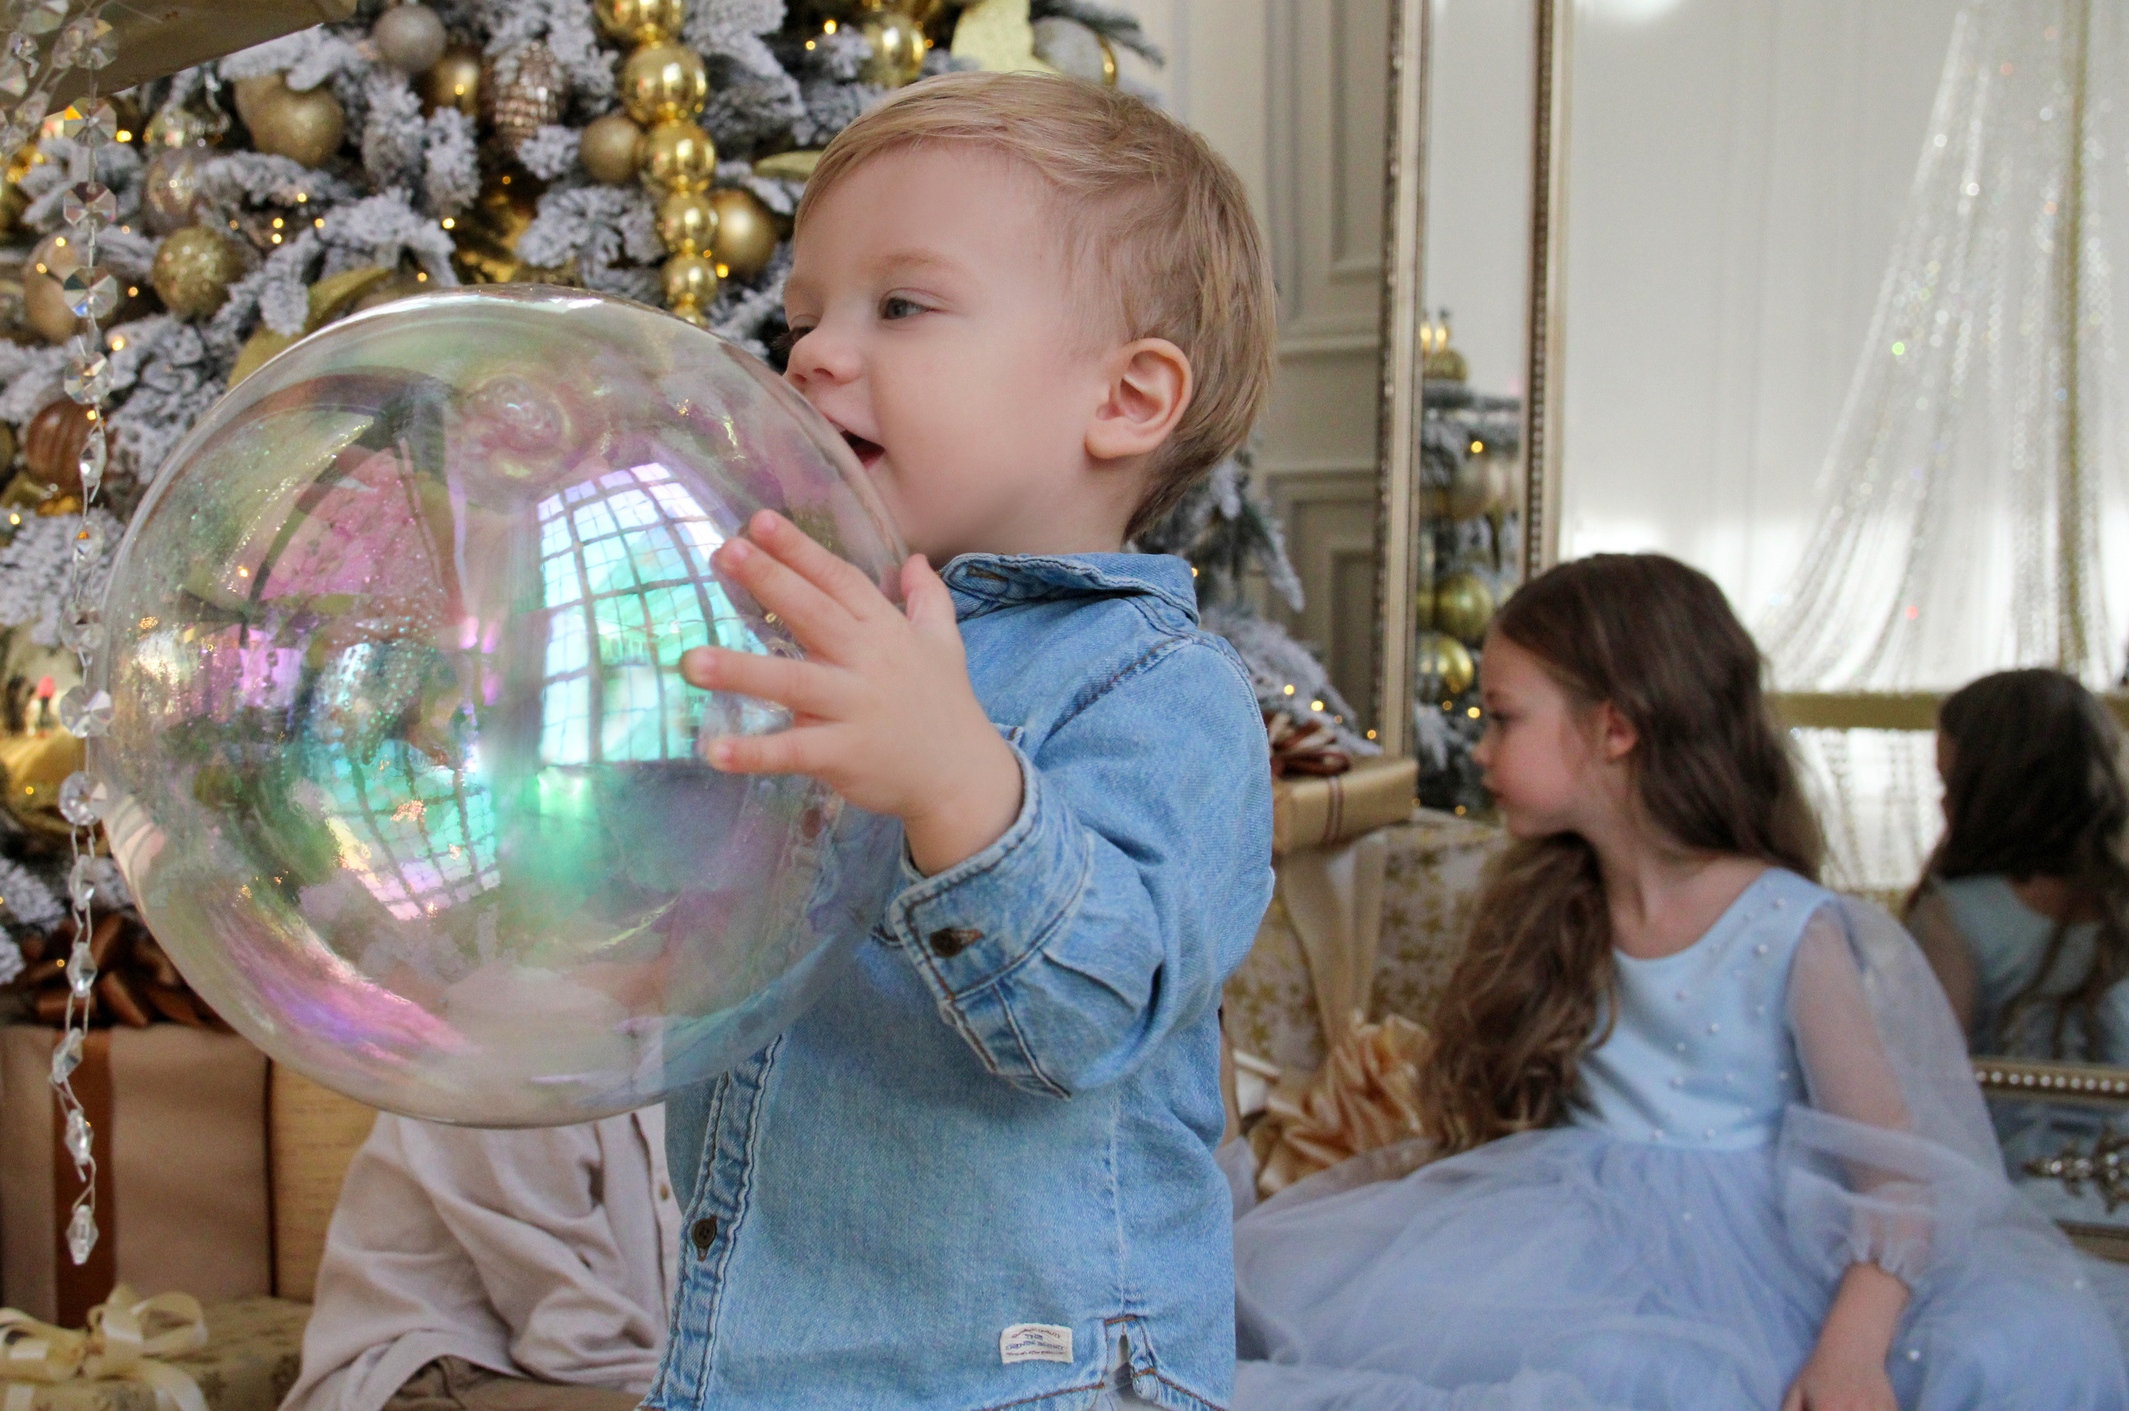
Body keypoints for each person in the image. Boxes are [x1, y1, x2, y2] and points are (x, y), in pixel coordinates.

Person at [658, 71, 1280, 1409]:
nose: (814, 353)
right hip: (762, 1352)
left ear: (1125, 397)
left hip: (1027, 1377)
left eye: (903, 305)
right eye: (805, 312)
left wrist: (954, 776)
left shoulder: (1164, 690)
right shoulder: (808, 638)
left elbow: (1087, 1015)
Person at [1229, 553, 2126, 1410]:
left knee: (1670, 1378)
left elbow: (1892, 1178)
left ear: (1615, 729)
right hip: (1558, 1239)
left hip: (1754, 1270)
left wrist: (1850, 1348)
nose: (1481, 747)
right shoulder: (1549, 907)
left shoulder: (1788, 928)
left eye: (1503, 717)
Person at [1904, 669, 2129, 1227]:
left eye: (1949, 784)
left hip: (2013, 1214)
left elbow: (1923, 1092)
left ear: (1988, 792)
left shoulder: (1952, 917)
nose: (1941, 804)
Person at [282, 1109, 682, 1411]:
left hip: (578, 1375)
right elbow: (575, 1344)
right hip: (433, 1375)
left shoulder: (687, 1045)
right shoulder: (514, 1053)